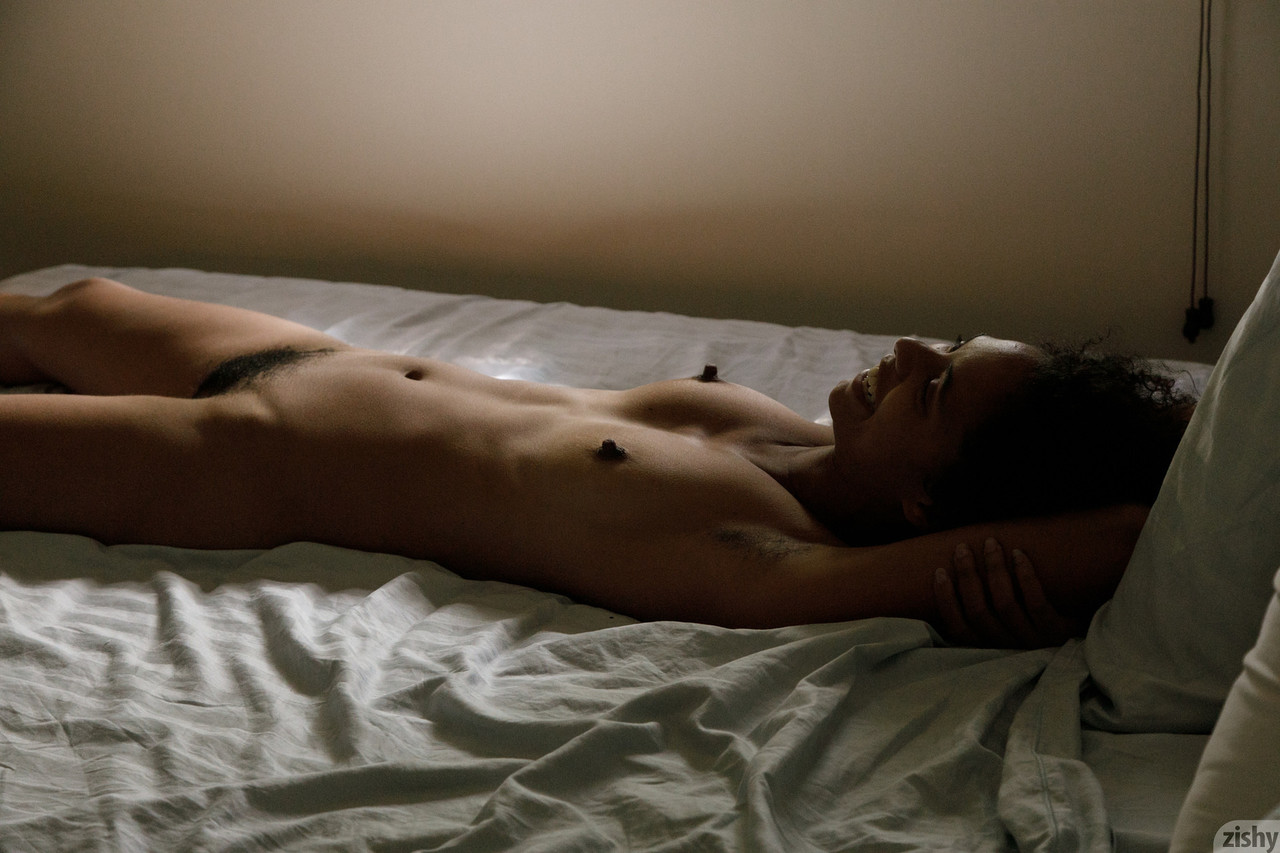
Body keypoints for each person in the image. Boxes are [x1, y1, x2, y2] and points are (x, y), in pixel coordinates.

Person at [0, 278, 1191, 647]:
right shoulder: (784, 437)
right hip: (317, 360)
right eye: (946, 349)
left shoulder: (772, 562)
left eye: (933, 387)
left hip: (239, 461)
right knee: (68, 300)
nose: (910, 351)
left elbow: (1137, 530)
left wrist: (994, 571)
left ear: (930, 499)